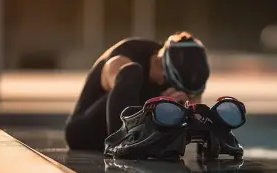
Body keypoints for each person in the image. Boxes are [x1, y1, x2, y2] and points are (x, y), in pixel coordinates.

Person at [65, 31, 210, 151]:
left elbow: (195, 111)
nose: (165, 84)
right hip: (84, 132)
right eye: (168, 80)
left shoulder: (182, 74)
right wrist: (157, 105)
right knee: (131, 73)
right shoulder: (126, 55)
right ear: (160, 61)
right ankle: (122, 143)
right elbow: (118, 83)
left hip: (140, 130)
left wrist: (187, 110)